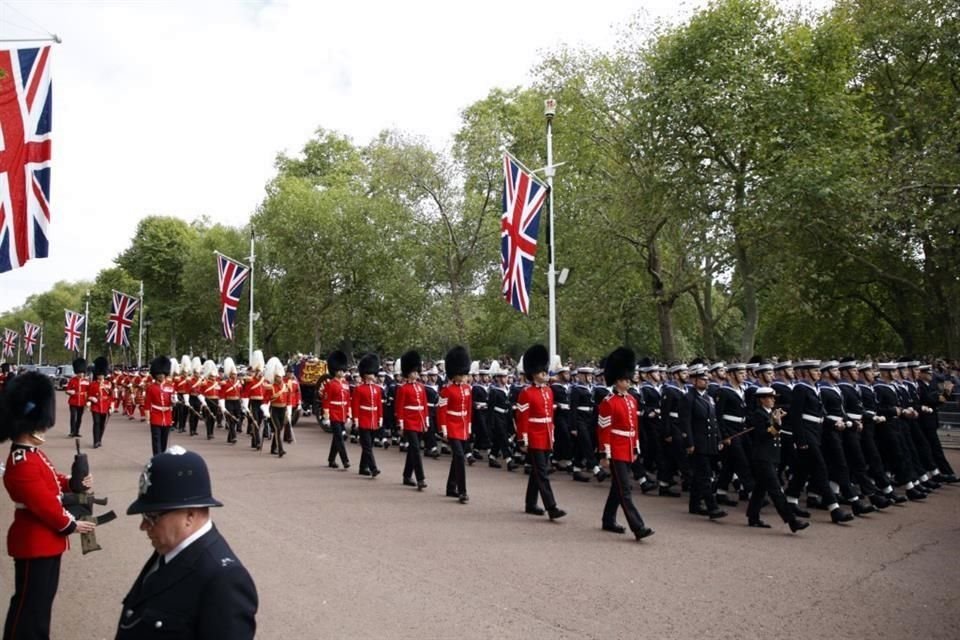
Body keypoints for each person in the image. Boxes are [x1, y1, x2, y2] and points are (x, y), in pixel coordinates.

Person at [116, 446, 257, 639]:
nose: (143, 526)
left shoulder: (224, 580)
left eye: (152, 517)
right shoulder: (171, 549)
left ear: (189, 516)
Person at [1, 371, 97, 639]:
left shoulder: (33, 455)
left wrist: (75, 482)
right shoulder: (22, 461)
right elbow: (43, 503)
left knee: (39, 606)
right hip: (35, 542)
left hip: (45, 542)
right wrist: (71, 524)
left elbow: (53, 481)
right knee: (29, 608)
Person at [596, 347, 655, 541]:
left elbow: (634, 427)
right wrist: (604, 454)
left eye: (629, 379)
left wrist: (636, 447)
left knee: (618, 488)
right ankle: (638, 527)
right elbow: (603, 430)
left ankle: (608, 520)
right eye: (624, 380)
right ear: (616, 380)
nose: (627, 383)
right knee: (625, 489)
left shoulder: (631, 401)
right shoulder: (608, 402)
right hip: (615, 449)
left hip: (628, 448)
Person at [744, 387, 809, 532]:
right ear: (762, 399)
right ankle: (792, 521)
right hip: (762, 457)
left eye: (773, 398)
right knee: (776, 490)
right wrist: (777, 424)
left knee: (760, 489)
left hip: (771, 456)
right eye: (770, 398)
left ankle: (753, 516)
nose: (773, 400)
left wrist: (776, 420)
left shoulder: (770, 414)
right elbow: (763, 435)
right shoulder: (758, 415)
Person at [515, 344, 566, 521]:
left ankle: (530, 504)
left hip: (545, 435)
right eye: (541, 370)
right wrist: (523, 440)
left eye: (545, 370)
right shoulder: (526, 393)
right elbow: (522, 418)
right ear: (533, 372)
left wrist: (551, 435)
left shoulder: (548, 392)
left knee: (538, 472)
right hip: (534, 436)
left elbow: (549, 417)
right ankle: (551, 507)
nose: (545, 373)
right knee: (543, 472)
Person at [439, 346, 472, 503]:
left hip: (463, 425)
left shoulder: (467, 389)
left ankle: (451, 487)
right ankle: (462, 490)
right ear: (454, 374)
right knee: (459, 456)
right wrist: (443, 429)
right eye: (462, 374)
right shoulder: (447, 390)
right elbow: (442, 411)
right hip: (452, 425)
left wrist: (469, 425)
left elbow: (469, 409)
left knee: (457, 458)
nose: (465, 377)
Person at [395, 350, 428, 490]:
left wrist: (426, 421)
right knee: (415, 449)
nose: (416, 374)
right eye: (413, 372)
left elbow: (424, 405)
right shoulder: (403, 389)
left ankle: (407, 475)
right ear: (408, 373)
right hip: (408, 421)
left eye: (417, 372)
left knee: (412, 450)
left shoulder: (421, 387)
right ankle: (420, 478)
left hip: (419, 420)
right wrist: (401, 424)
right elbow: (400, 408)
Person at [352, 354, 383, 477]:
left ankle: (362, 467)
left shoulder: (377, 389)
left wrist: (380, 418)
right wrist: (356, 420)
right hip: (363, 419)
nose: (374, 376)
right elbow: (355, 405)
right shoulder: (359, 389)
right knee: (367, 446)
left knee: (368, 446)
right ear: (365, 375)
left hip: (373, 419)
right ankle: (373, 468)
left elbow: (379, 405)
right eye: (372, 373)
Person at [322, 351, 351, 469]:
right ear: (335, 371)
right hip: (333, 413)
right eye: (339, 370)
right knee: (339, 437)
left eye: (342, 370)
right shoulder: (330, 384)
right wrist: (326, 416)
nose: (341, 372)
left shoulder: (345, 383)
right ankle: (345, 460)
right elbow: (326, 401)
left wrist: (348, 413)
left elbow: (348, 400)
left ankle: (331, 459)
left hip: (342, 412)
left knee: (337, 437)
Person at [145, 357, 177, 456]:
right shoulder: (151, 388)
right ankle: (156, 458)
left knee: (164, 440)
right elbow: (147, 404)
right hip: (155, 415)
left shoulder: (170, 387)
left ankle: (162, 457)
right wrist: (148, 417)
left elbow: (172, 403)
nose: (161, 376)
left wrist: (174, 402)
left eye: (163, 374)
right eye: (159, 374)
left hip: (167, 416)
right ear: (156, 375)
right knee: (156, 439)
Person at [87, 356, 113, 449]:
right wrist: (91, 399)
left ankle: (99, 440)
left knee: (102, 424)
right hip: (96, 406)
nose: (101, 376)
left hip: (105, 406)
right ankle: (95, 441)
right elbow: (88, 395)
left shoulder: (108, 384)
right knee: (96, 423)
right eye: (99, 374)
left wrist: (111, 407)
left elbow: (111, 396)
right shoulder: (93, 384)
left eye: (102, 374)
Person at [65, 357, 89, 438]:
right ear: (77, 372)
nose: (81, 374)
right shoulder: (72, 380)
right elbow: (67, 390)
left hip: (82, 401)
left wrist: (88, 401)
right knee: (73, 416)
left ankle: (77, 431)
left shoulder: (86, 381)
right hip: (73, 401)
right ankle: (72, 431)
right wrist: (69, 392)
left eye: (82, 372)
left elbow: (89, 391)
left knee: (79, 417)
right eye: (79, 372)